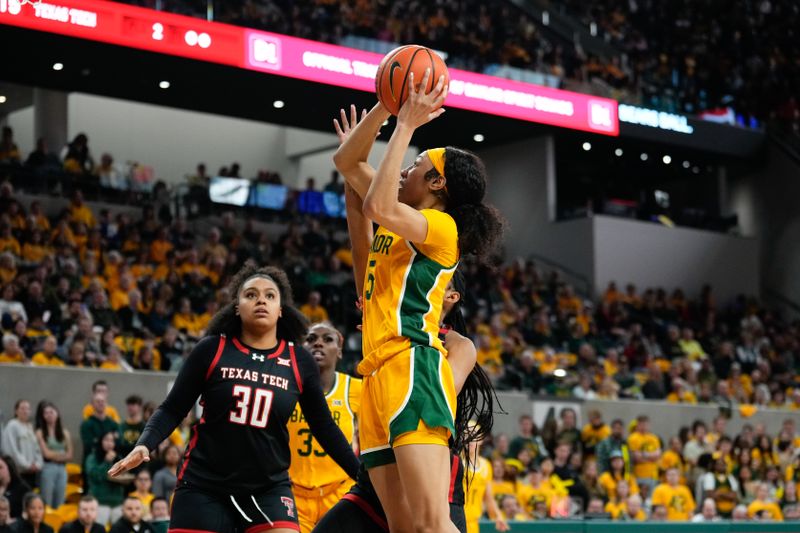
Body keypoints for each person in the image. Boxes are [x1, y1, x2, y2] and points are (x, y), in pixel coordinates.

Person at [333, 66, 503, 532]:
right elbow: (348, 165)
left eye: (417, 164)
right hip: (375, 378)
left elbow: (378, 205)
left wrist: (406, 124)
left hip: (413, 366)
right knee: (405, 529)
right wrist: (385, 110)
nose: (406, 167)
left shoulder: (443, 229)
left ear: (436, 186)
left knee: (432, 524)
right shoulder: (393, 235)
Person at [108, 264, 360, 533]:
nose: (261, 300)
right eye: (251, 294)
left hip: (268, 488)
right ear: (237, 307)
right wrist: (145, 443)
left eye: (270, 296)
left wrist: (362, 476)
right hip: (204, 486)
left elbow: (324, 428)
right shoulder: (212, 349)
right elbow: (172, 408)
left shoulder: (299, 361)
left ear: (281, 310)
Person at [288, 323, 361, 533]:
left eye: (327, 339)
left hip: (339, 493)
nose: (318, 342)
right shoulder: (286, 388)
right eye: (311, 339)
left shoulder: (356, 389)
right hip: (294, 495)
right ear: (301, 347)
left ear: (339, 351)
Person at [34, 402, 72, 508]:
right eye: (46, 413)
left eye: (51, 412)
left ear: (57, 413)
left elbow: (69, 455)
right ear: (43, 416)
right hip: (47, 468)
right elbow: (46, 454)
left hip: (62, 469)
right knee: (46, 501)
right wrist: (61, 454)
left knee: (60, 501)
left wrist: (53, 454)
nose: (49, 414)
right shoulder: (40, 432)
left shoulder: (65, 432)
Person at [85, 432, 125, 527]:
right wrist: (106, 462)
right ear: (100, 441)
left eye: (112, 441)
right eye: (106, 440)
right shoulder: (92, 458)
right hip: (100, 502)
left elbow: (125, 476)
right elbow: (94, 476)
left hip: (117, 502)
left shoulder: (118, 458)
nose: (109, 443)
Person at [1, 401, 42, 489]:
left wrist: (37, 464)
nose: (25, 411)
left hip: (31, 472)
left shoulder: (29, 427)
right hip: (19, 472)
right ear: (16, 411)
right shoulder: (12, 425)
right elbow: (11, 450)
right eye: (22, 408)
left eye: (28, 409)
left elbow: (36, 449)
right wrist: (26, 465)